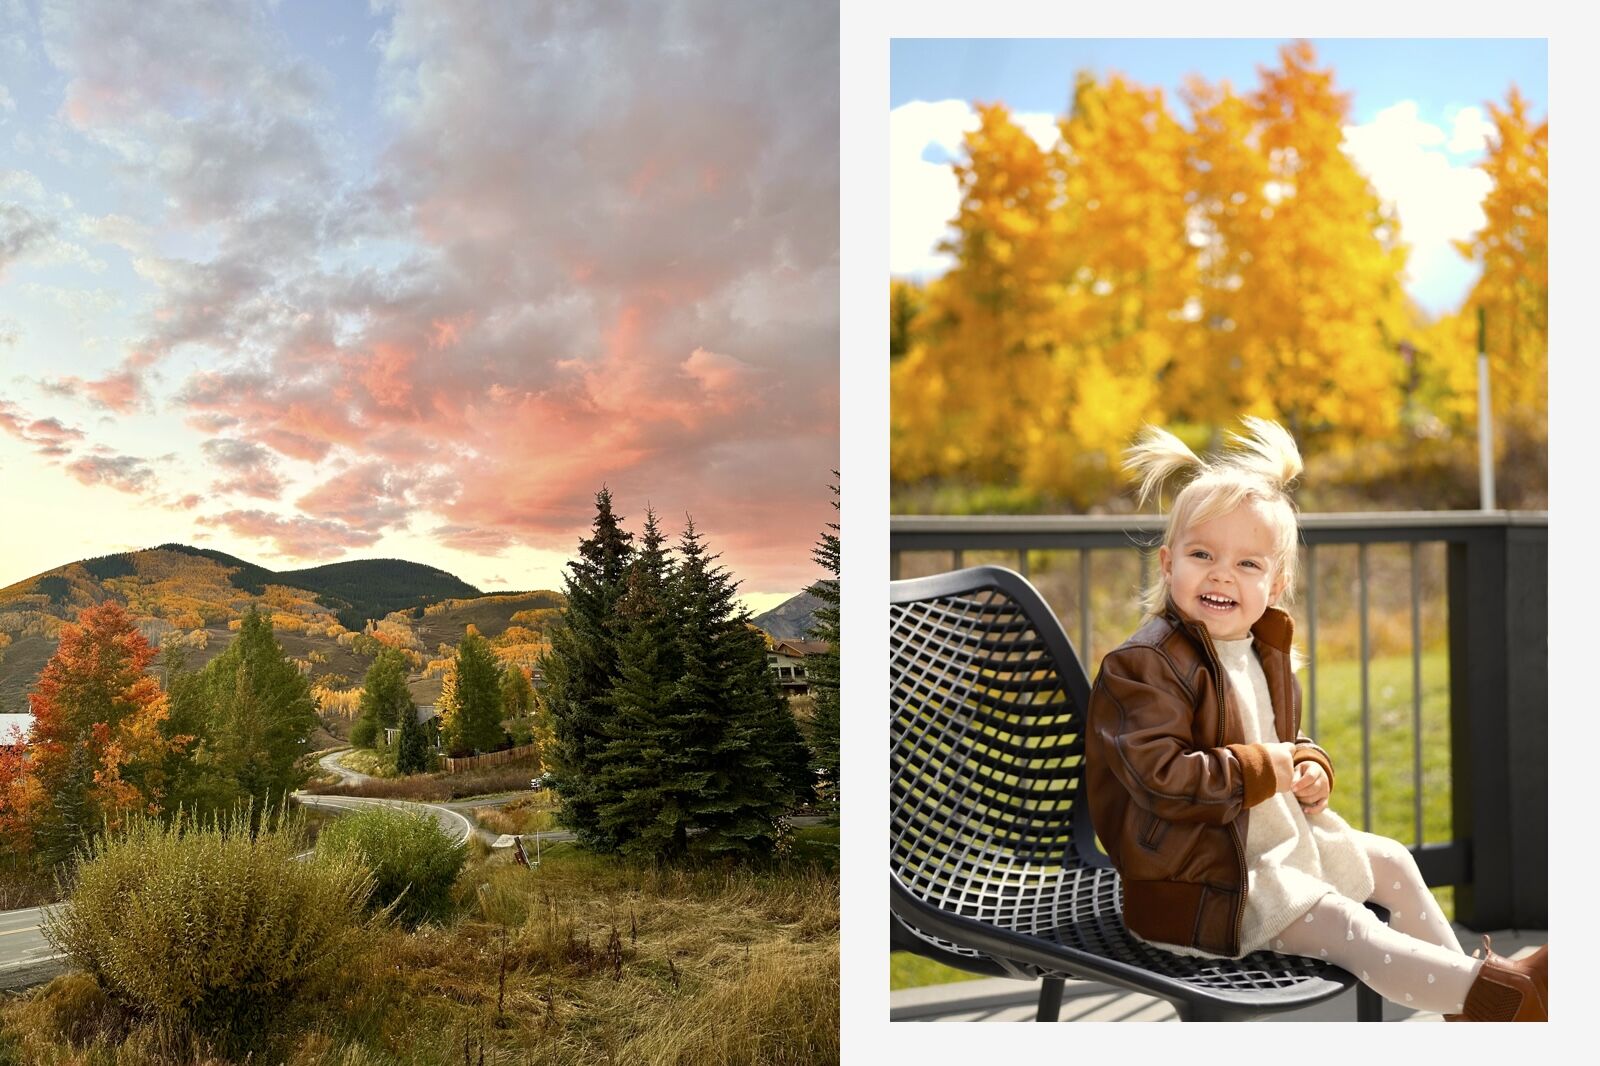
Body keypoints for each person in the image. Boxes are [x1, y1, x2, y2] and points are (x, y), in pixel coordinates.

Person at [1083, 417, 1547, 1022]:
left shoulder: (1258, 649)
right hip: (1199, 889)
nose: (1222, 573)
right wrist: (1269, 767)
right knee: (1346, 925)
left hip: (1270, 847)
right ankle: (1503, 999)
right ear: (1168, 565)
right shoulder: (1142, 667)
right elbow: (1160, 778)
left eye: (1248, 564)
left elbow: (1283, 743)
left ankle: (1471, 1009)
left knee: (1393, 862)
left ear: (1274, 584)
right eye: (1202, 554)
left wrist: (1307, 766)